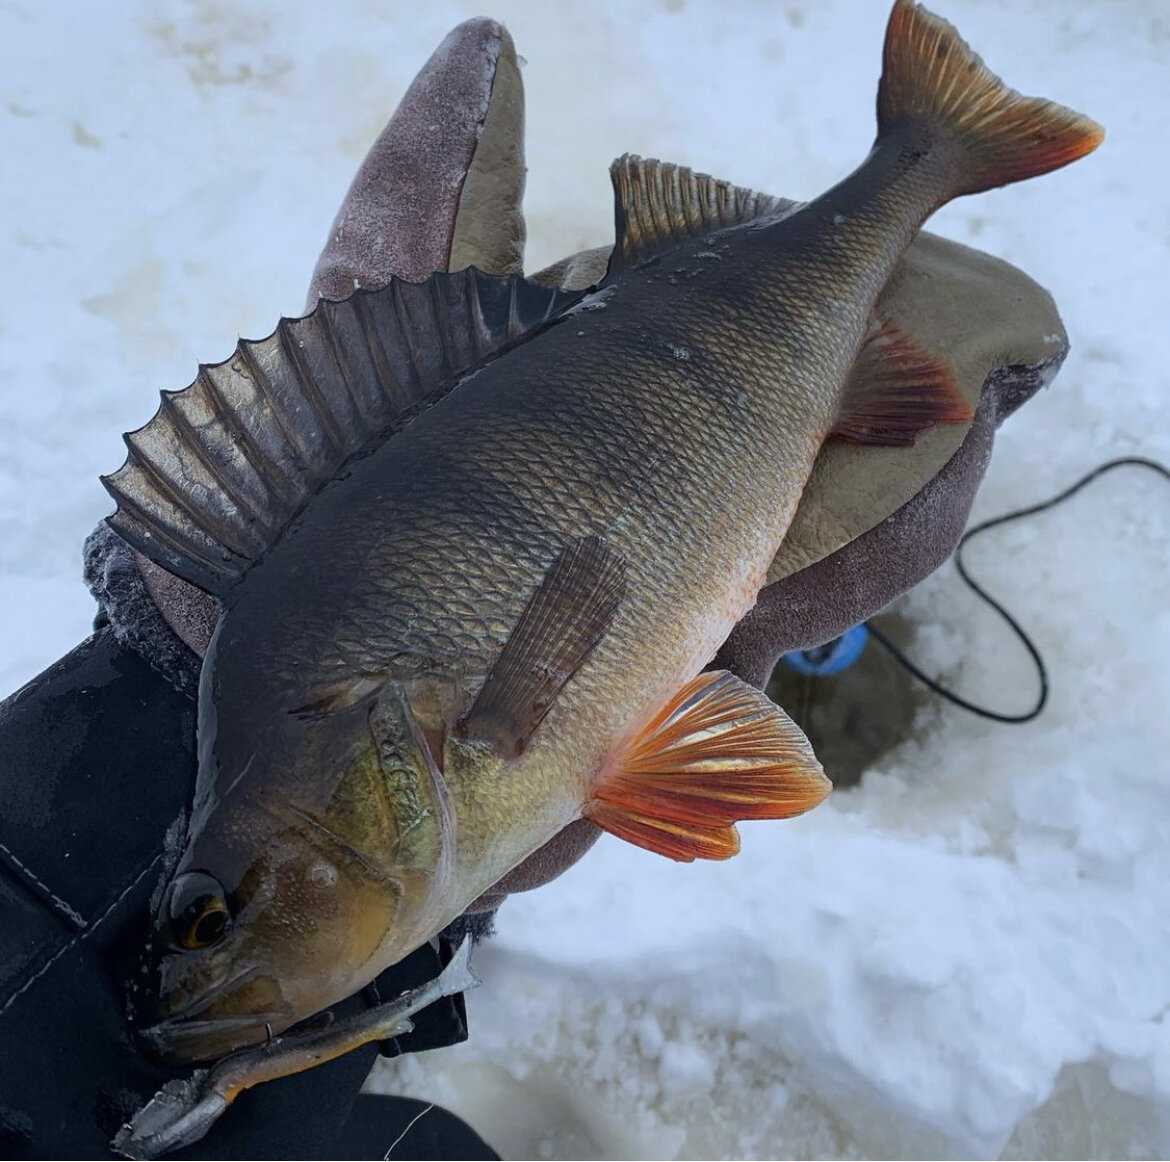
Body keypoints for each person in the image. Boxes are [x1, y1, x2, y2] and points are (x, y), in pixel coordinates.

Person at [0, 17, 1066, 1160]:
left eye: (217, 913)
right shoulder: (299, 734)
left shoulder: (321, 719)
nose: (203, 957)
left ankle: (922, 156)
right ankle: (923, 155)